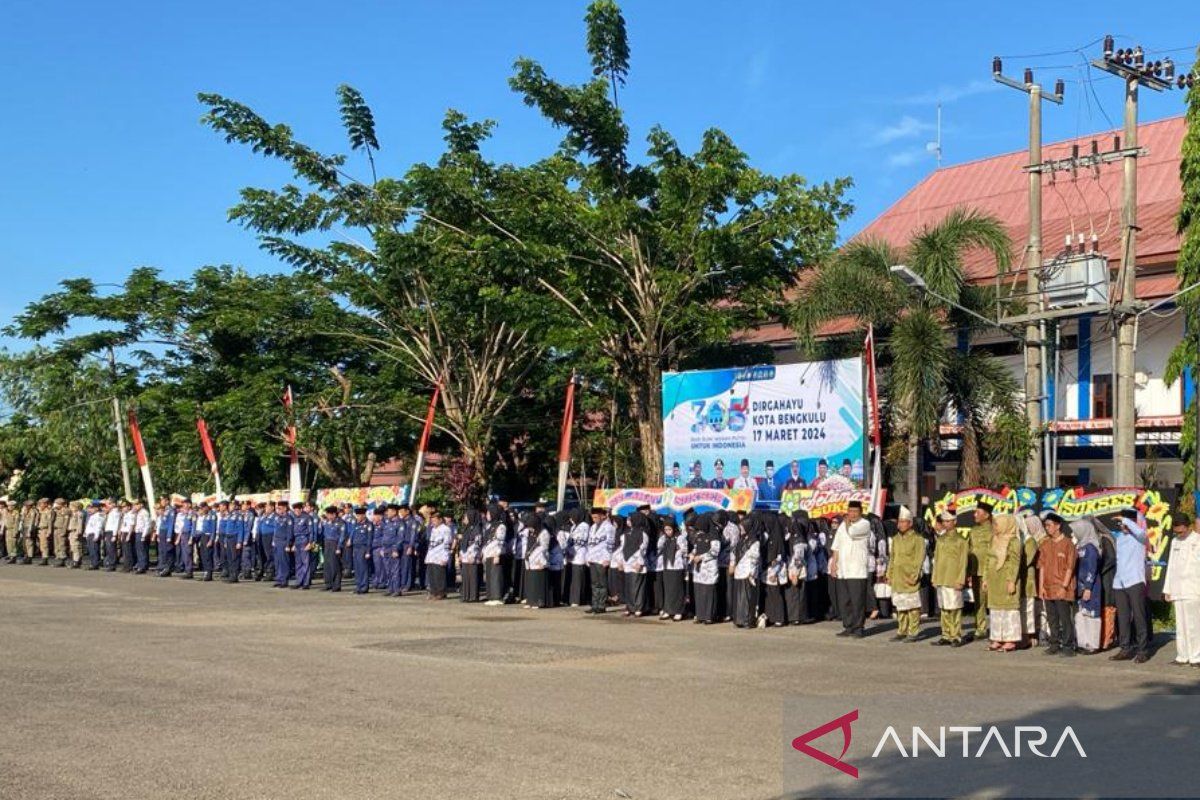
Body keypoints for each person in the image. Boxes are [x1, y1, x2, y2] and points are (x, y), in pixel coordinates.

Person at [1109, 510, 1151, 663]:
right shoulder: (1120, 538)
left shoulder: (1140, 537)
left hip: (1135, 581)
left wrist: (1127, 521)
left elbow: (1141, 532)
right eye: (1120, 524)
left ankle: (1142, 650)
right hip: (1120, 581)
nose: (1122, 526)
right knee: (1123, 617)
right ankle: (1125, 648)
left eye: (1124, 523)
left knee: (1139, 616)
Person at [1037, 512, 1077, 656]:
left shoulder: (1068, 544)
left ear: (1058, 526)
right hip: (1048, 587)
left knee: (1065, 618)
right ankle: (1054, 644)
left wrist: (1064, 586)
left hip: (1062, 588)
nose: (1047, 528)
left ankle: (1068, 646)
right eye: (1045, 525)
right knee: (1052, 618)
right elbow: (1041, 566)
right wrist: (1041, 586)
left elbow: (1070, 567)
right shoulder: (1045, 544)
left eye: (1049, 525)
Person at [830, 501, 871, 637]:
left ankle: (859, 627)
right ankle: (848, 626)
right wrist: (833, 564)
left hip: (857, 570)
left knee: (857, 600)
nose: (852, 514)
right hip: (843, 569)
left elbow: (853, 533)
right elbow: (836, 546)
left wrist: (847, 522)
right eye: (850, 511)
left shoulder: (865, 524)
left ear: (860, 512)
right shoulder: (842, 525)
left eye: (855, 511)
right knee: (845, 600)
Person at [1164, 512, 1200, 667]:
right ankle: (1182, 656)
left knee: (1194, 625)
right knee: (1181, 626)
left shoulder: (1198, 540)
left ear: (1188, 526)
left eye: (1181, 531)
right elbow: (1171, 565)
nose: (1179, 534)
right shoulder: (1174, 542)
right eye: (1176, 531)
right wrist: (1167, 589)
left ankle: (1196, 657)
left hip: (1193, 588)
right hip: (1177, 588)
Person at [984, 514, 1022, 653]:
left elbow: (1015, 562)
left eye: (997, 524)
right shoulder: (993, 539)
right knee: (995, 610)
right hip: (994, 579)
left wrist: (1012, 580)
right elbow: (988, 560)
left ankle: (1010, 640)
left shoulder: (1014, 541)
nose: (994, 527)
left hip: (1006, 578)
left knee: (1008, 610)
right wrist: (985, 578)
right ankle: (996, 638)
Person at [887, 506, 925, 642]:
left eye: (903, 522)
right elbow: (892, 558)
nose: (900, 524)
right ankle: (901, 630)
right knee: (900, 606)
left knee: (913, 607)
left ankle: (913, 632)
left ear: (910, 523)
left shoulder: (918, 539)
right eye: (899, 522)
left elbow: (919, 559)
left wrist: (915, 576)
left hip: (909, 576)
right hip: (897, 576)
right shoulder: (896, 539)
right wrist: (889, 574)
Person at [930, 510, 968, 647]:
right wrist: (934, 577)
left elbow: (963, 562)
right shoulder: (940, 539)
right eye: (944, 521)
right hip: (941, 578)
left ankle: (956, 636)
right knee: (944, 608)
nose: (946, 523)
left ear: (955, 522)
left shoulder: (961, 540)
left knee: (955, 609)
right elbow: (937, 559)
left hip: (953, 579)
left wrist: (961, 580)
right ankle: (945, 634)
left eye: (948, 521)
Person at [1072, 516, 1103, 655]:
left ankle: (1092, 644)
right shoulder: (1080, 546)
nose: (1073, 533)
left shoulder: (1091, 548)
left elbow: (1092, 568)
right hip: (1080, 586)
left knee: (1091, 616)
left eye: (1076, 531)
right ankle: (1083, 642)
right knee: (1081, 615)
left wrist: (1088, 588)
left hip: (1090, 587)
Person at [966, 502, 995, 640]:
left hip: (989, 571)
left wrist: (988, 573)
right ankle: (980, 628)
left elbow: (992, 553)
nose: (974, 515)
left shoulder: (993, 530)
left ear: (987, 515)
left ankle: (996, 629)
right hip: (975, 571)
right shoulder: (973, 530)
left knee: (993, 601)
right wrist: (969, 572)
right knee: (978, 601)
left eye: (978, 512)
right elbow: (970, 550)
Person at [731, 512, 762, 629]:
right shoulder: (742, 540)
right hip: (739, 572)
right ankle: (738, 619)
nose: (741, 530)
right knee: (739, 598)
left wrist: (752, 573)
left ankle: (748, 620)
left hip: (748, 573)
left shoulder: (754, 541)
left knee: (748, 598)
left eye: (743, 528)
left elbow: (754, 559)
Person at [691, 514, 721, 624]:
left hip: (709, 568)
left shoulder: (714, 536)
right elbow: (696, 547)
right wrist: (692, 554)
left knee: (708, 592)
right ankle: (700, 615)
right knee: (699, 591)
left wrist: (701, 557)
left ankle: (709, 616)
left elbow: (715, 551)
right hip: (698, 569)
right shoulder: (699, 535)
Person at [585, 507, 614, 614]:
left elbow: (610, 544)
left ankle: (601, 605)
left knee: (602, 583)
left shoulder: (609, 527)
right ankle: (594, 604)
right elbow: (589, 543)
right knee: (594, 583)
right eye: (593, 517)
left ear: (602, 516)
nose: (594, 519)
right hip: (592, 558)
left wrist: (608, 558)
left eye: (596, 517)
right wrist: (587, 557)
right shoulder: (592, 527)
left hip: (602, 558)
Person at [659, 515, 688, 621]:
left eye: (669, 529)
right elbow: (659, 547)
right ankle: (668, 609)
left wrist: (677, 553)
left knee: (677, 589)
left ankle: (678, 611)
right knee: (668, 589)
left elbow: (684, 550)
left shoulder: (680, 537)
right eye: (666, 529)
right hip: (667, 565)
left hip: (677, 566)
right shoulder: (664, 538)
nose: (668, 532)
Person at [762, 513, 788, 627]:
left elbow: (779, 556)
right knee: (769, 595)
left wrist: (775, 572)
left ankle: (779, 618)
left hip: (775, 571)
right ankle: (771, 616)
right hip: (768, 570)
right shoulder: (770, 536)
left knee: (776, 594)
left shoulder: (777, 537)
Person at [622, 509, 650, 617]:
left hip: (636, 563)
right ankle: (630, 606)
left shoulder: (643, 533)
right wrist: (621, 560)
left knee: (637, 586)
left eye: (630, 519)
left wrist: (639, 562)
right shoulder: (628, 532)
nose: (628, 521)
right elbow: (623, 547)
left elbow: (643, 549)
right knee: (628, 586)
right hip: (627, 562)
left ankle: (638, 607)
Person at [784, 513, 808, 625]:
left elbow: (799, 559)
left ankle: (797, 617)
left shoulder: (799, 541)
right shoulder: (792, 538)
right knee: (792, 595)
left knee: (797, 595)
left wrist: (795, 573)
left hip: (797, 572)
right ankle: (793, 616)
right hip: (791, 569)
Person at [425, 510, 453, 600]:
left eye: (435, 520)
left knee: (439, 575)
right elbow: (431, 543)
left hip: (440, 555)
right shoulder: (433, 529)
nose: (433, 522)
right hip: (432, 555)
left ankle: (441, 592)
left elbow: (447, 544)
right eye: (432, 520)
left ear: (440, 520)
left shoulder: (446, 529)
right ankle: (433, 592)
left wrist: (445, 557)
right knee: (432, 575)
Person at [482, 503, 507, 605]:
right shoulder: (491, 525)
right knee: (489, 575)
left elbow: (500, 541)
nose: (487, 515)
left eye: (489, 512)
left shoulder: (501, 526)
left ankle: (497, 596)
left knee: (496, 575)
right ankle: (491, 595)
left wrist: (498, 554)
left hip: (496, 553)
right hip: (489, 553)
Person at [523, 512, 549, 608]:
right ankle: (530, 600)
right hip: (530, 560)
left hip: (539, 561)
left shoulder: (544, 533)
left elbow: (544, 548)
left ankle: (538, 601)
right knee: (530, 582)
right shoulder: (531, 533)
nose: (529, 529)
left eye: (531, 526)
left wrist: (542, 562)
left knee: (538, 582)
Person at [565, 508, 590, 607]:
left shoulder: (584, 526)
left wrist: (571, 551)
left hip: (579, 554)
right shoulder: (574, 526)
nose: (571, 519)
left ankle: (577, 599)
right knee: (573, 578)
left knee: (578, 579)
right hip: (572, 555)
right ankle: (572, 598)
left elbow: (580, 541)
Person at [319, 505, 346, 592]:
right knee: (327, 565)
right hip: (327, 543)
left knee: (335, 565)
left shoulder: (341, 523)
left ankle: (336, 585)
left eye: (330, 515)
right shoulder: (326, 522)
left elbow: (342, 536)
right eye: (327, 515)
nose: (328, 516)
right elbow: (322, 533)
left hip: (335, 543)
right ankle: (328, 583)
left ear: (334, 514)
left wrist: (339, 547)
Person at [458, 510, 483, 602]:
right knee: (465, 575)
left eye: (466, 517)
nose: (464, 519)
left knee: (473, 575)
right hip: (465, 554)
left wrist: (473, 554)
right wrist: (461, 554)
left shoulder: (477, 528)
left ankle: (473, 596)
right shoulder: (466, 528)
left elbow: (477, 542)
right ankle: (465, 595)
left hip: (473, 554)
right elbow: (462, 542)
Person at [376, 506, 400, 597]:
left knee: (395, 571)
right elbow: (384, 537)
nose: (387, 513)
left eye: (389, 511)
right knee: (388, 570)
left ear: (394, 512)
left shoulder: (399, 523)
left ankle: (396, 589)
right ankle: (390, 588)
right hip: (385, 549)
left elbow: (400, 538)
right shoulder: (387, 523)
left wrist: (395, 549)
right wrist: (382, 548)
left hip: (393, 549)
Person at [349, 506, 374, 594]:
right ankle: (358, 586)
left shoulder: (369, 525)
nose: (358, 517)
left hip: (363, 548)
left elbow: (369, 539)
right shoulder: (356, 524)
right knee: (357, 568)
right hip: (356, 548)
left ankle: (364, 587)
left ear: (363, 515)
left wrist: (368, 551)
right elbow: (353, 535)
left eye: (359, 515)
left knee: (363, 568)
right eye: (357, 515)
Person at [273, 501, 294, 589]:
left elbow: (290, 533)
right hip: (277, 541)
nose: (278, 510)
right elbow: (275, 530)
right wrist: (273, 540)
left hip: (283, 542)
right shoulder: (278, 518)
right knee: (277, 561)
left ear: (285, 508)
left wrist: (288, 544)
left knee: (284, 561)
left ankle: (284, 580)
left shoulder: (289, 519)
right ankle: (278, 579)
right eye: (278, 508)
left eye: (280, 508)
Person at [83, 501, 104, 570]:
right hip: (90, 534)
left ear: (97, 509)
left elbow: (98, 527)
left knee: (94, 549)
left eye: (92, 508)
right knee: (91, 550)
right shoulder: (93, 516)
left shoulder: (99, 515)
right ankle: (92, 562)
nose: (90, 510)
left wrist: (96, 535)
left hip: (94, 534)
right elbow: (89, 526)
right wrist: (86, 533)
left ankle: (95, 563)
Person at [66, 501, 85, 569]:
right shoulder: (73, 514)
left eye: (71, 506)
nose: (70, 507)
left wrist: (78, 533)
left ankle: (77, 561)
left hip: (75, 532)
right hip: (71, 532)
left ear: (76, 507)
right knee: (73, 547)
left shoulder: (79, 514)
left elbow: (80, 524)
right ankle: (75, 560)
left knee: (76, 547)